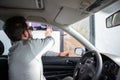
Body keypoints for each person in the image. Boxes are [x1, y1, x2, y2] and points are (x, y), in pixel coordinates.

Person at [4, 16, 55, 80]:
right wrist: (48, 33)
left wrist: (57, 54)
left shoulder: (12, 52)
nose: (31, 31)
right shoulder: (30, 45)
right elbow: (51, 41)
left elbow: (35, 52)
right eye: (29, 29)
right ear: (25, 34)